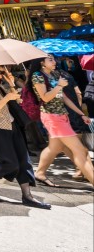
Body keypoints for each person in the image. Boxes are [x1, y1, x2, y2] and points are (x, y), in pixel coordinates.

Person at [0, 66, 50, 208]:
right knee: (9, 162)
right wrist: (8, 97)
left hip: (12, 123)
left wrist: (11, 85)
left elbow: (16, 101)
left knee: (23, 159)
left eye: (2, 72)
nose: (1, 75)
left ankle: (27, 196)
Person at [28, 56, 94, 186]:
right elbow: (45, 98)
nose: (55, 62)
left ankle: (40, 173)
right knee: (81, 151)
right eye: (51, 60)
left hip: (61, 116)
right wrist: (59, 86)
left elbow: (64, 97)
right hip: (52, 117)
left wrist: (81, 114)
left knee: (55, 147)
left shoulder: (53, 74)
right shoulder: (37, 76)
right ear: (42, 63)